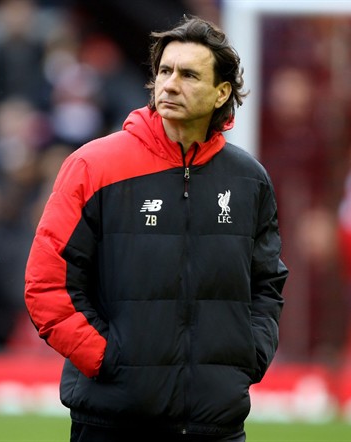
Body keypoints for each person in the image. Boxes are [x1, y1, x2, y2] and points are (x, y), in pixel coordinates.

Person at [24, 15, 288, 442]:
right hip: (113, 422)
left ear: (222, 92)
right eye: (164, 71)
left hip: (216, 425)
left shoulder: (249, 180)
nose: (169, 84)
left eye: (188, 75)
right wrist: (110, 360)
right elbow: (46, 284)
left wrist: (247, 356)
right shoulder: (93, 166)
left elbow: (267, 284)